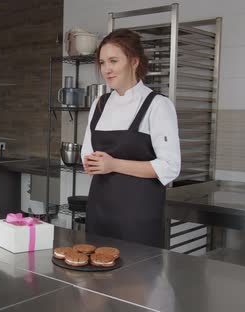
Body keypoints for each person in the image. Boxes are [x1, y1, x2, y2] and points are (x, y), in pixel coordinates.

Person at [81, 29, 181, 248]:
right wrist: (90, 163)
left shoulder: (157, 106)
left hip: (138, 219)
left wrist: (113, 164)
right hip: (100, 213)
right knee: (98, 278)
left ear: (134, 62)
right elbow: (87, 155)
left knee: (137, 279)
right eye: (102, 62)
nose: (107, 69)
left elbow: (170, 167)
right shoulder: (100, 104)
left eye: (114, 61)